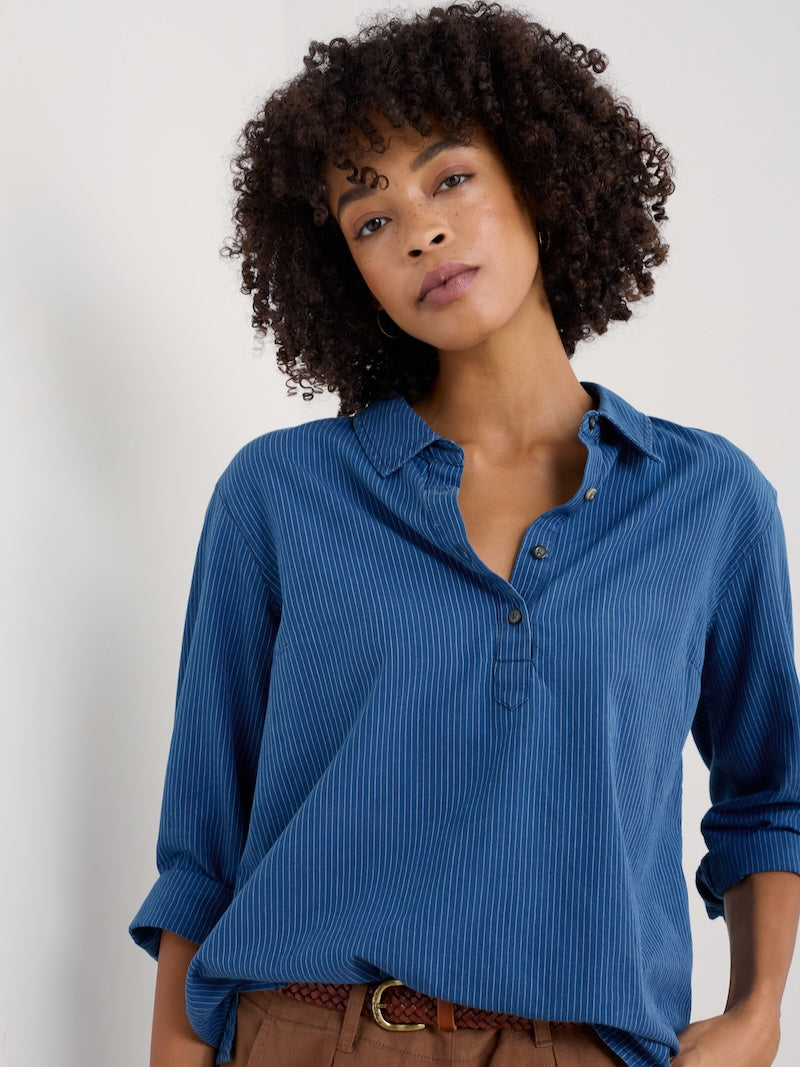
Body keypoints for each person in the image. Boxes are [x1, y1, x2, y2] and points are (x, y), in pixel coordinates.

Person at [129, 3, 800, 1065]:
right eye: (368, 218)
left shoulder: (707, 500)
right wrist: (173, 1048)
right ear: (340, 268)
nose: (418, 232)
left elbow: (769, 786)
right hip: (306, 1032)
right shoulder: (279, 494)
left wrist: (757, 1013)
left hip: (584, 1042)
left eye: (448, 180)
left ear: (535, 174)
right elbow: (203, 828)